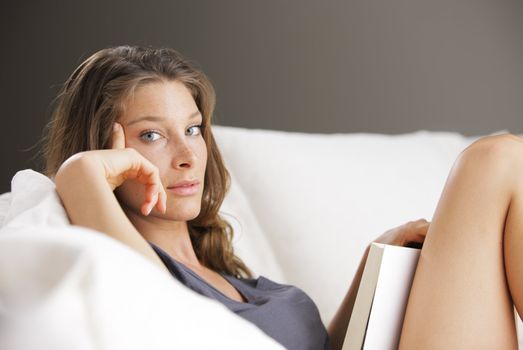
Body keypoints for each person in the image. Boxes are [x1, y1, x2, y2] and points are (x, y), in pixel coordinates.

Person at [38, 45, 522, 350]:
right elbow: (76, 178)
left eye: (192, 128)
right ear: (107, 149)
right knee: (497, 161)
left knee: (503, 161)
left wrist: (371, 271)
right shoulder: (141, 277)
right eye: (150, 137)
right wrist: (88, 166)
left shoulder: (226, 275)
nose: (187, 155)